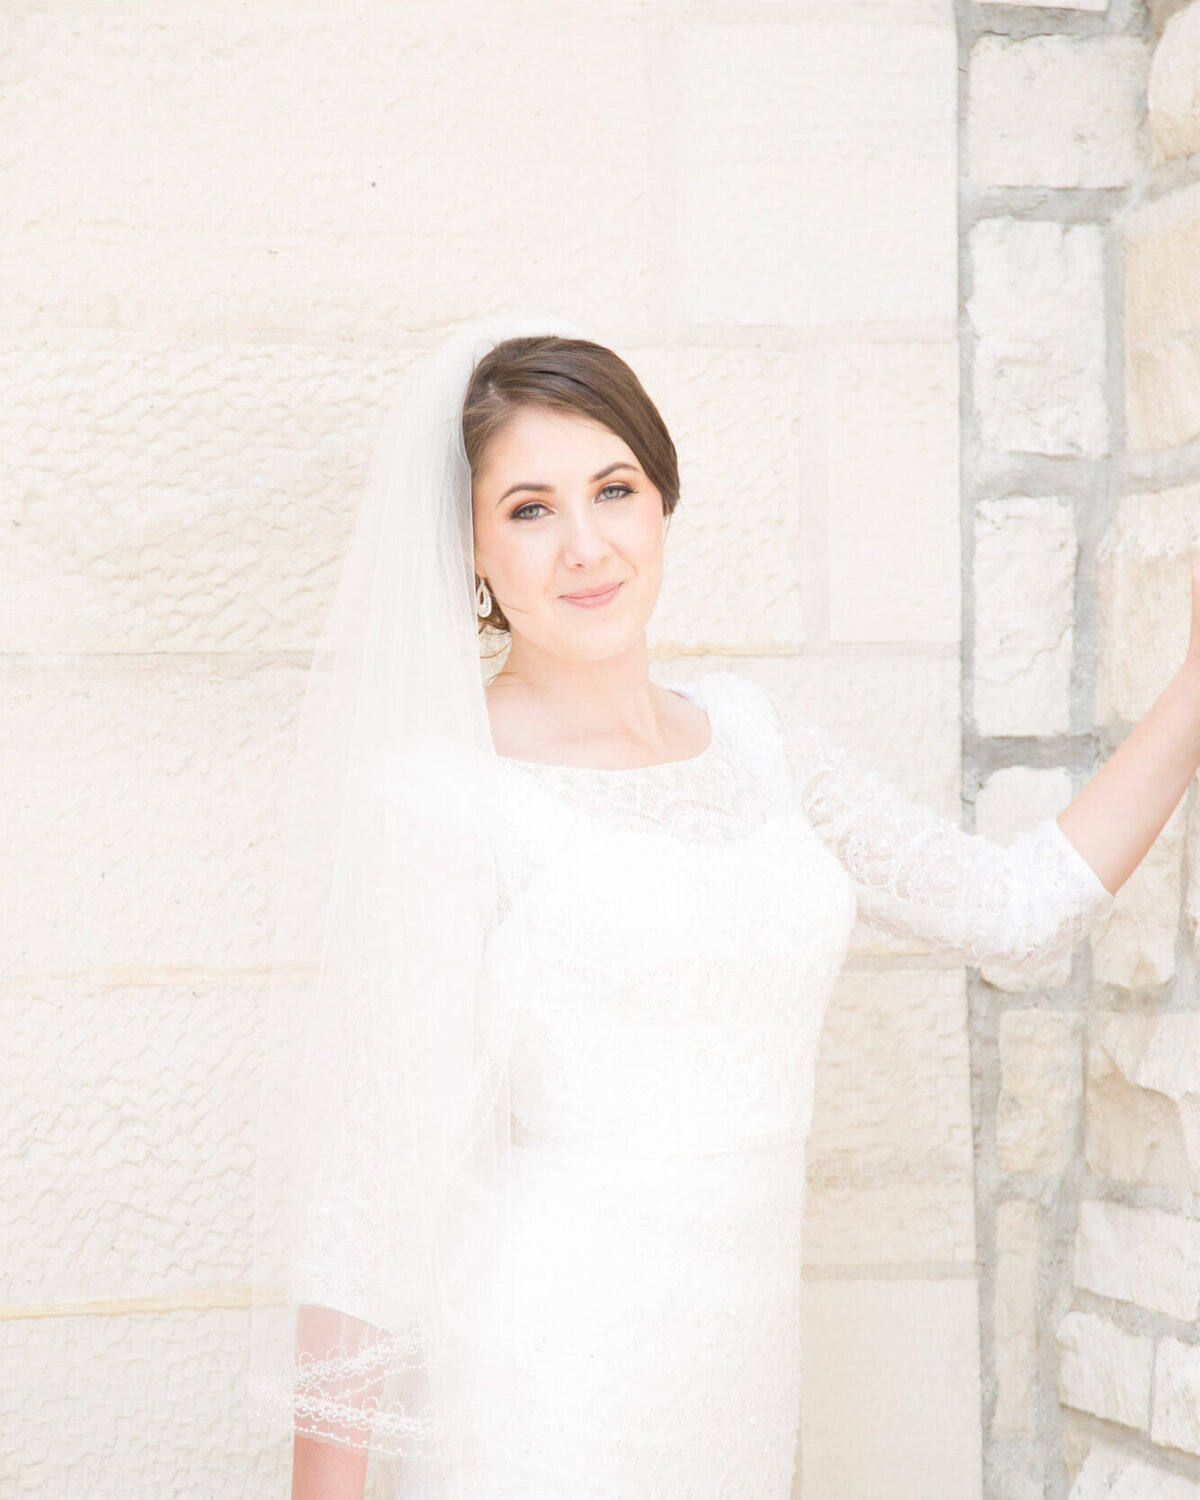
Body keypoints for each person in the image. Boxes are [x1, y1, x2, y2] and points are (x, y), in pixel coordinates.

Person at [251, 314, 1200, 1500]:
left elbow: (1014, 913)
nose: (586, 545)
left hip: (736, 1394)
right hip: (551, 1393)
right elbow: (368, 1186)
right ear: (471, 547)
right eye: (530, 509)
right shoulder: (448, 790)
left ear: (662, 500)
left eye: (614, 489)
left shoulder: (755, 742)